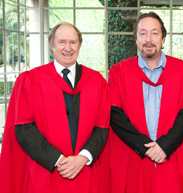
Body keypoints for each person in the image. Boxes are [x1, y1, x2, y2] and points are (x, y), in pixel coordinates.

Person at [0, 22, 110, 193]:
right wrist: (59, 160)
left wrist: (82, 158)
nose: (68, 48)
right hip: (46, 172)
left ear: (79, 45)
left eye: (73, 42)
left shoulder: (96, 82)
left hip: (85, 171)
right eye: (62, 42)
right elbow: (24, 129)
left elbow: (102, 127)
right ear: (52, 45)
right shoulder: (32, 80)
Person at [106, 12, 183, 193]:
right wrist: (146, 148)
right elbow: (116, 116)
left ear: (163, 38)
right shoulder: (119, 72)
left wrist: (164, 146)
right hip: (133, 153)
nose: (148, 39)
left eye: (154, 33)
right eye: (142, 33)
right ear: (136, 39)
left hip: (171, 152)